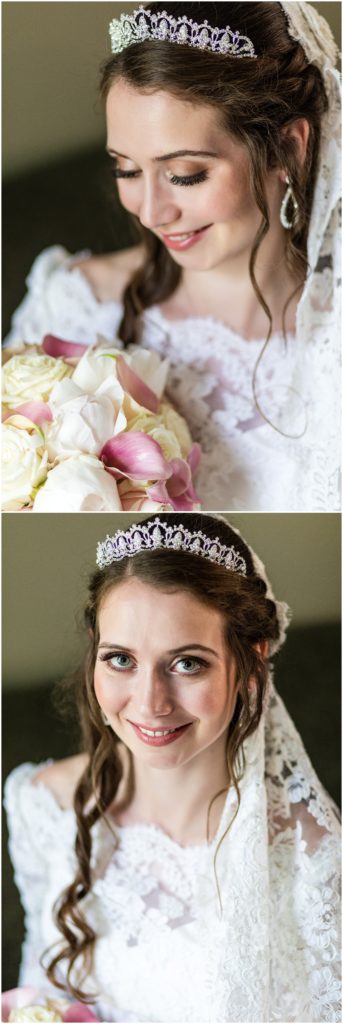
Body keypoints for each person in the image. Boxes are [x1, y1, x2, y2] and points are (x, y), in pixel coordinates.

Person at [4, 512, 341, 1023]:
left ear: (250, 664)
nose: (149, 703)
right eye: (121, 659)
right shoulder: (41, 803)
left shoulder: (314, 860)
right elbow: (38, 991)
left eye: (187, 663)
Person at [4, 3, 341, 511]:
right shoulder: (73, 305)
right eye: (126, 170)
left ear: (287, 150)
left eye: (184, 174)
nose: (151, 212)